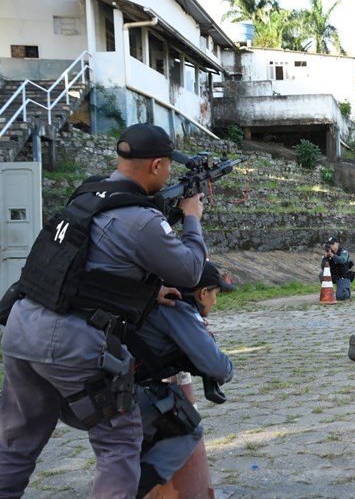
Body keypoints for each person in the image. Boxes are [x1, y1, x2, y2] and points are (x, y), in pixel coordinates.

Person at [0, 123, 206, 498]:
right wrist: (192, 217)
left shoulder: (88, 194)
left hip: (21, 326)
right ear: (157, 165)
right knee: (119, 445)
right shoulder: (141, 219)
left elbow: (86, 267)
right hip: (69, 341)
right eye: (168, 167)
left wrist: (148, 291)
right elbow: (190, 271)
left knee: (16, 441)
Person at [130, 260, 235, 497]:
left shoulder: (157, 302)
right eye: (216, 294)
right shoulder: (179, 309)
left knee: (140, 440)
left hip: (95, 385)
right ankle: (130, 491)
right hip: (118, 393)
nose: (215, 301)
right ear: (203, 292)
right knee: (187, 430)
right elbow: (219, 367)